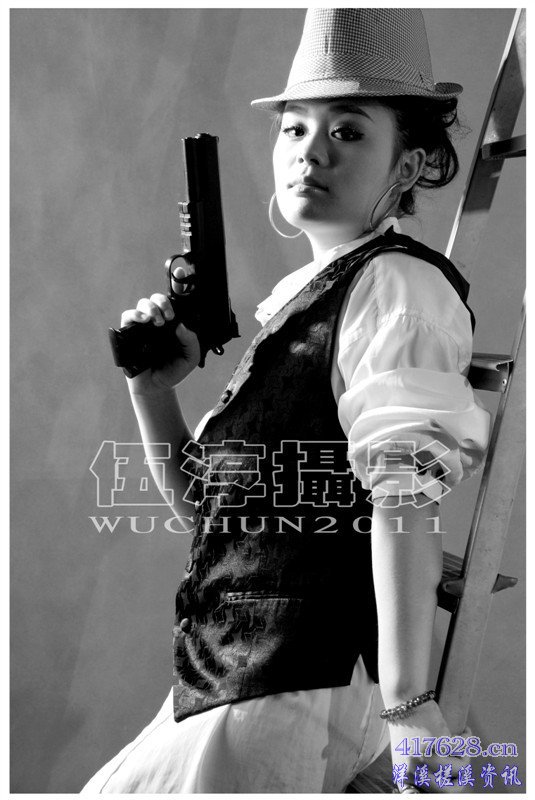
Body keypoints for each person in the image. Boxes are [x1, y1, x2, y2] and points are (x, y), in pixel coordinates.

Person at [82, 8, 490, 794]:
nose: (311, 150)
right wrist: (151, 391)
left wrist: (410, 703)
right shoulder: (303, 305)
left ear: (407, 164)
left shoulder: (396, 288)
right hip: (225, 679)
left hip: (296, 687)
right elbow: (212, 518)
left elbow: (404, 497)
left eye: (348, 131)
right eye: (294, 128)